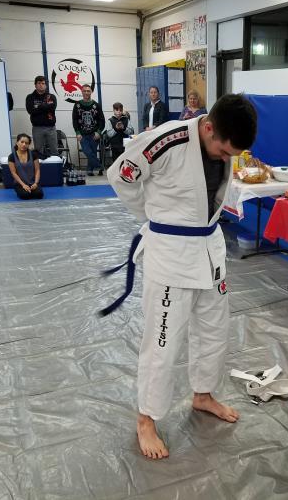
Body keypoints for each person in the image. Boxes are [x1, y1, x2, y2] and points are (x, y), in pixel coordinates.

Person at [106, 93, 258, 460]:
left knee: (214, 331)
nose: (225, 158)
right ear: (209, 128)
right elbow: (120, 175)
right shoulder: (166, 140)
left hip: (210, 250)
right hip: (171, 255)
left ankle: (203, 394)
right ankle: (146, 418)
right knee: (162, 343)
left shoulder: (224, 145)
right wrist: (151, 216)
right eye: (223, 151)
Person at [72, 84, 105, 176]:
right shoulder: (77, 105)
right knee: (87, 151)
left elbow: (102, 120)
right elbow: (74, 120)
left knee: (92, 152)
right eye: (84, 91)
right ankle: (100, 166)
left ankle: (89, 170)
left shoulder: (96, 105)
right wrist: (77, 132)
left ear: (91, 92)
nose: (86, 92)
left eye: (88, 91)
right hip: (82, 134)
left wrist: (99, 132)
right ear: (82, 92)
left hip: (94, 134)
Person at [25, 76, 58, 159]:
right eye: (39, 83)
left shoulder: (52, 97)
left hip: (51, 128)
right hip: (37, 128)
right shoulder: (30, 97)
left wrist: (38, 107)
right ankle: (40, 167)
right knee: (38, 152)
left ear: (46, 85)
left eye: (43, 83)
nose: (41, 85)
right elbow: (31, 111)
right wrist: (45, 106)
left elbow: (52, 108)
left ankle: (54, 167)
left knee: (54, 151)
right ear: (35, 85)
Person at [8, 133, 44, 200]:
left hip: (32, 182)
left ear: (28, 145)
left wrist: (36, 183)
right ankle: (24, 191)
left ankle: (31, 190)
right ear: (17, 142)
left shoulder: (33, 154)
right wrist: (23, 185)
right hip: (20, 183)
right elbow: (13, 173)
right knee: (25, 195)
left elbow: (37, 170)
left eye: (26, 143)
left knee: (39, 194)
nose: (24, 144)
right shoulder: (11, 156)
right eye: (22, 142)